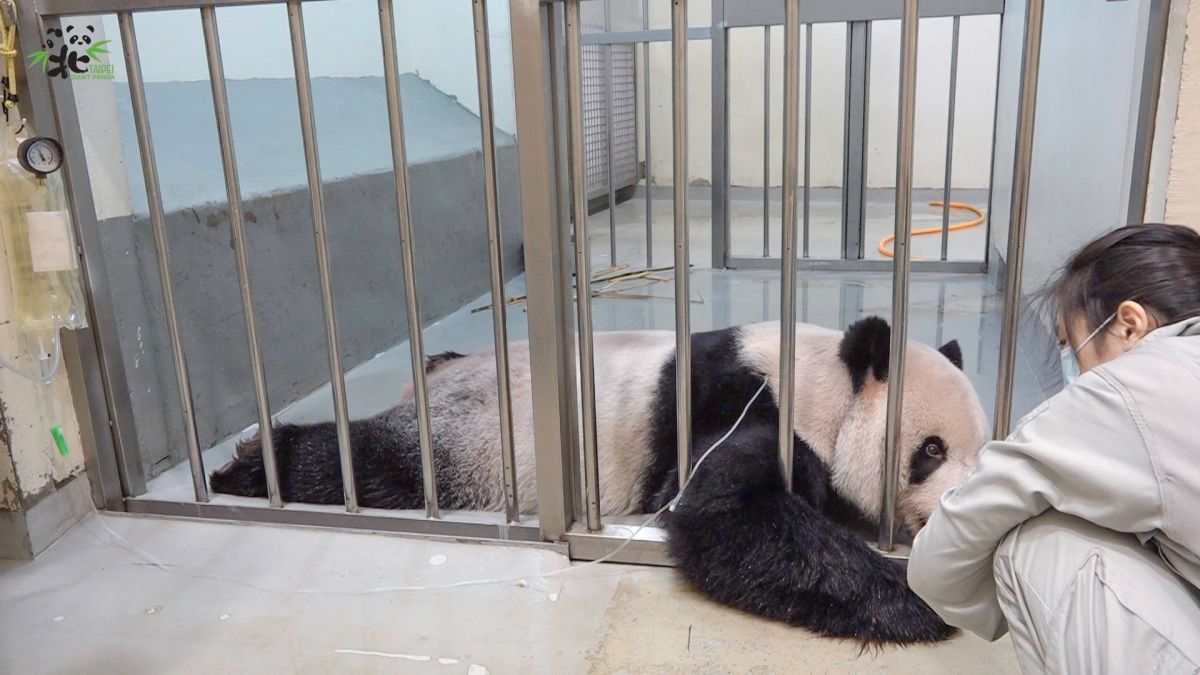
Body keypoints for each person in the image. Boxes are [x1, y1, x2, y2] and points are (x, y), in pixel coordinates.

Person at [908, 223, 1200, 674]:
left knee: (1031, 539)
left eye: (1070, 345)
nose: (1074, 365)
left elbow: (940, 556)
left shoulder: (1132, 390)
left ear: (1129, 324)